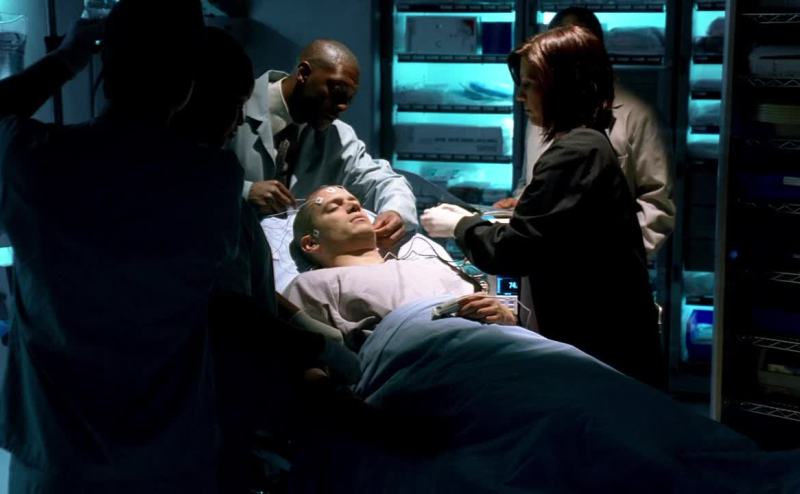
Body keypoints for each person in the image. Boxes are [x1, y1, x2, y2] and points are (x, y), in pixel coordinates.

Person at [0, 1, 243, 492]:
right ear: (189, 78)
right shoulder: (214, 180)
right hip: (172, 460)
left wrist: (68, 57)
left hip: (56, 460)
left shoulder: (37, 163)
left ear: (106, 64)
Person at [421, 26, 665, 389]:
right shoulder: (588, 144)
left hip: (601, 351)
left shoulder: (577, 151)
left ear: (563, 87)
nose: (520, 96)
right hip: (609, 345)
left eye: (529, 85)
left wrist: (461, 225)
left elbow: (513, 252)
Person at [495, 7, 675, 257]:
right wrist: (523, 204)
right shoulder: (539, 108)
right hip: (545, 262)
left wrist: (619, 260)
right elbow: (533, 181)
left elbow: (656, 204)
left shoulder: (637, 115)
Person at [231, 39, 417, 251]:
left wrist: (395, 211)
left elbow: (383, 180)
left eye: (349, 99)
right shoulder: (233, 106)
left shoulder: (337, 136)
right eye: (337, 91)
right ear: (303, 73)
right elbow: (197, 175)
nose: (343, 106)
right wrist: (243, 191)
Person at [283, 185, 516, 344]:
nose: (354, 206)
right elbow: (308, 360)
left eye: (355, 203)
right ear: (311, 243)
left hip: (498, 349)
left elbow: (502, 320)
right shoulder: (312, 285)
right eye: (334, 207)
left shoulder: (431, 264)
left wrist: (504, 317)